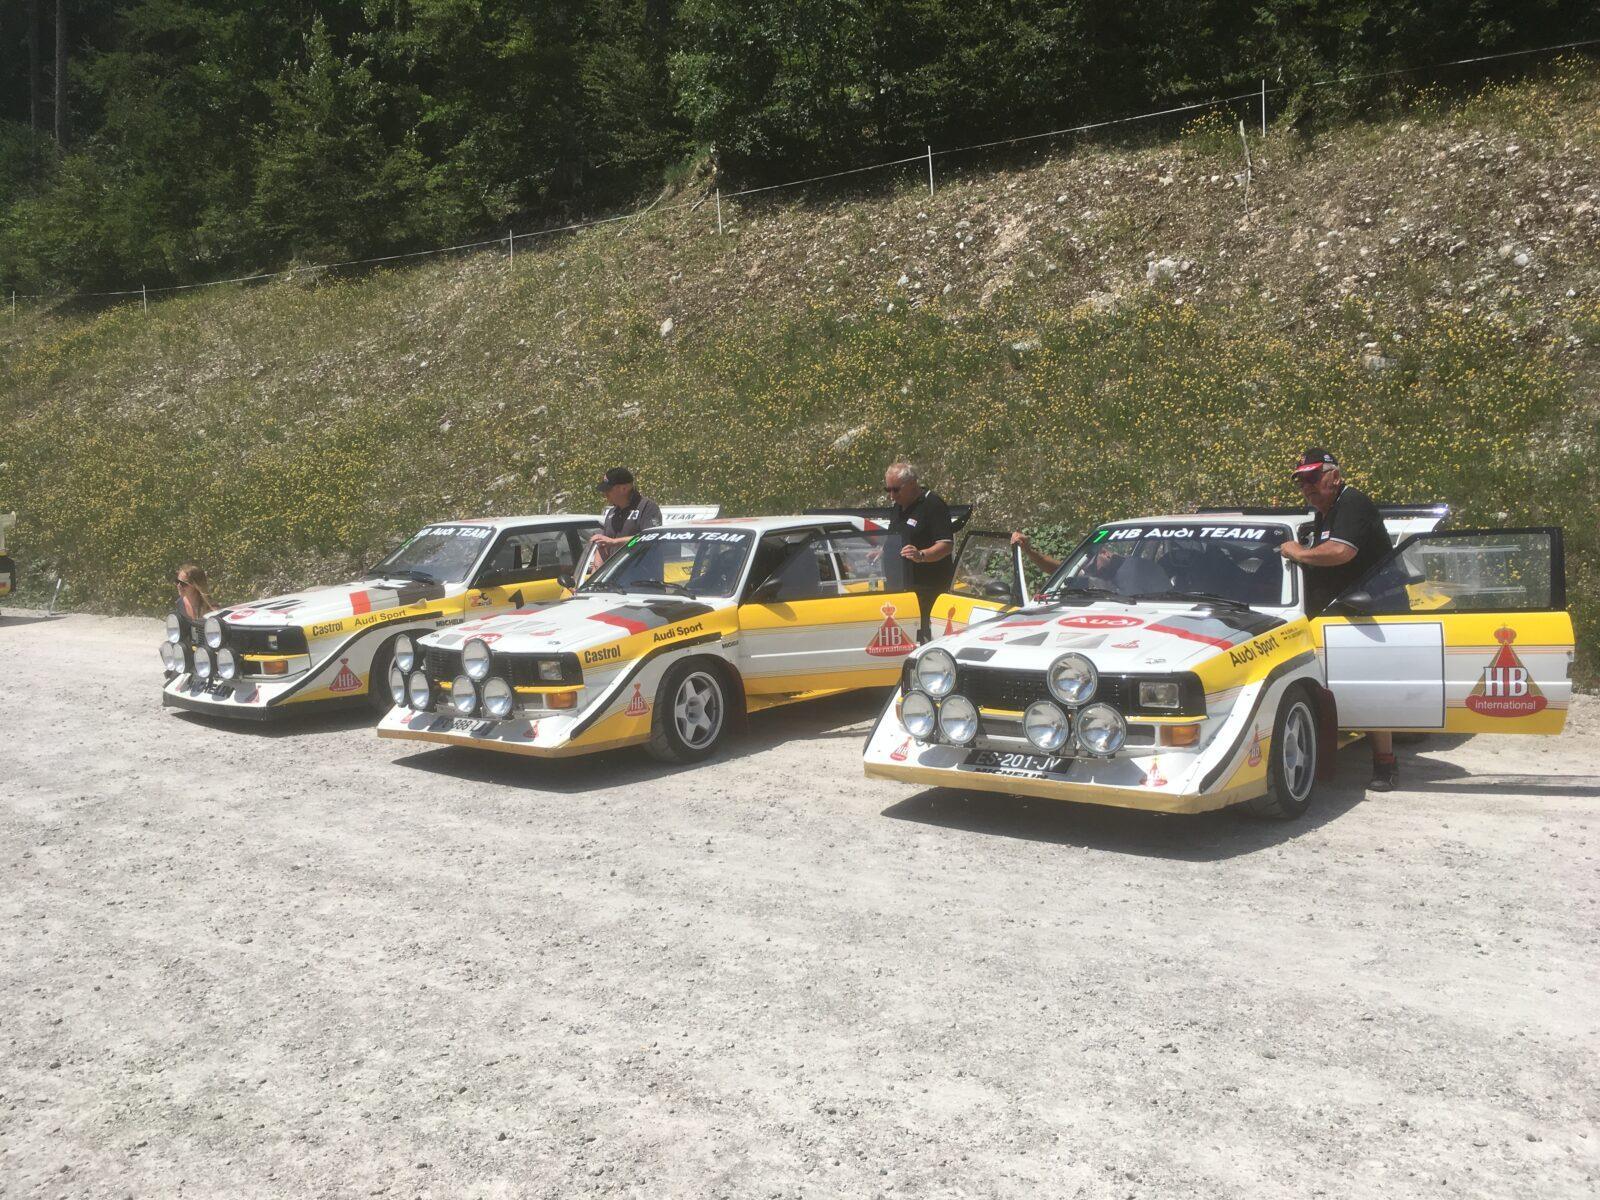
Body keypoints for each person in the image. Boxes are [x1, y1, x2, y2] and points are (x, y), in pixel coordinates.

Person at [1277, 447, 1399, 791]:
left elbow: (1340, 552)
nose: (1307, 487)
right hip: (1336, 614)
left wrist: (1297, 551)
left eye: (1313, 478)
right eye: (1301, 482)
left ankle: (1386, 763)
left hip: (1373, 612)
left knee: (1371, 689)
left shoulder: (1352, 504)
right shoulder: (1325, 512)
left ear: (1334, 476)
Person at [884, 461, 954, 641]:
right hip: (901, 587)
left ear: (912, 483)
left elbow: (946, 545)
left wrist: (921, 555)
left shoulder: (932, 505)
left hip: (926, 589)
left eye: (896, 490)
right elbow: (897, 537)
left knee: (923, 638)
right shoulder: (898, 505)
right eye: (888, 490)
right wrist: (883, 551)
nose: (892, 496)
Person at [589, 467, 663, 565]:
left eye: (608, 490)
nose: (605, 494)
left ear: (624, 489)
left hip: (641, 571)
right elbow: (605, 546)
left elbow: (650, 538)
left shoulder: (647, 508)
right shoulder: (612, 512)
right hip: (615, 573)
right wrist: (597, 569)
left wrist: (615, 542)